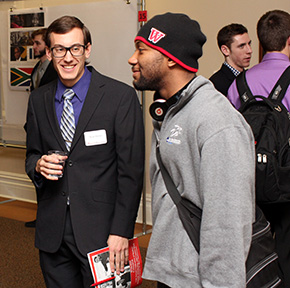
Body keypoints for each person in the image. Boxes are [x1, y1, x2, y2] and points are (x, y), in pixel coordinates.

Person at [128, 12, 255, 287]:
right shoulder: (172, 111)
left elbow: (228, 222)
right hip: (176, 271)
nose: (132, 59)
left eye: (141, 50)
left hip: (201, 279)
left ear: (171, 58)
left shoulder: (217, 121)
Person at [25, 15, 145, 288]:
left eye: (75, 48)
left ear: (87, 49)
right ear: (50, 53)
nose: (68, 58)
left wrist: (121, 231)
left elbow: (131, 172)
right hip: (53, 232)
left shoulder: (120, 97)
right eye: (59, 50)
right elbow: (31, 154)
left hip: (102, 232)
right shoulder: (38, 100)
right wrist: (38, 165)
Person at [227, 10, 290, 287]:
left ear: (261, 44)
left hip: (249, 180)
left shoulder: (238, 84)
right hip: (286, 180)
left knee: (253, 247)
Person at [24, 29, 58, 228]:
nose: (33, 47)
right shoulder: (38, 67)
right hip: (36, 129)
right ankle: (44, 217)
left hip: (53, 130)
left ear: (47, 45)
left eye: (37, 43)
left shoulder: (57, 68)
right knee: (39, 173)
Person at [209, 23, 252, 96]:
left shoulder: (250, 77)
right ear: (225, 50)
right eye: (241, 46)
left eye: (249, 44)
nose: (249, 50)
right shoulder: (215, 85)